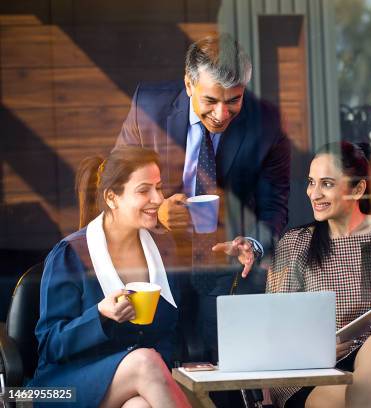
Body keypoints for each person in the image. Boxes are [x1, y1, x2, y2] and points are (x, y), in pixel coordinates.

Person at [116, 33, 291, 362]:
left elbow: (274, 204)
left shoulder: (267, 122)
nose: (222, 114)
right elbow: (116, 188)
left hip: (228, 266)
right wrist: (155, 213)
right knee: (160, 362)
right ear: (188, 84)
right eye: (211, 100)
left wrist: (253, 243)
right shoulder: (147, 108)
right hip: (157, 261)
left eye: (234, 100)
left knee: (227, 366)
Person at [267, 141, 371, 408]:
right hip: (315, 370)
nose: (314, 194)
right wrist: (316, 350)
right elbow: (276, 326)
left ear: (358, 189)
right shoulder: (295, 243)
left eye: (327, 184)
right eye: (311, 182)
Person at [29, 147, 190, 408]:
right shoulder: (70, 255)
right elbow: (49, 345)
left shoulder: (164, 249)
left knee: (139, 406)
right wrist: (100, 316)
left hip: (135, 385)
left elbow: (171, 333)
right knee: (144, 361)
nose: (158, 199)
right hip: (59, 389)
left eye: (159, 188)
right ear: (112, 198)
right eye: (143, 190)